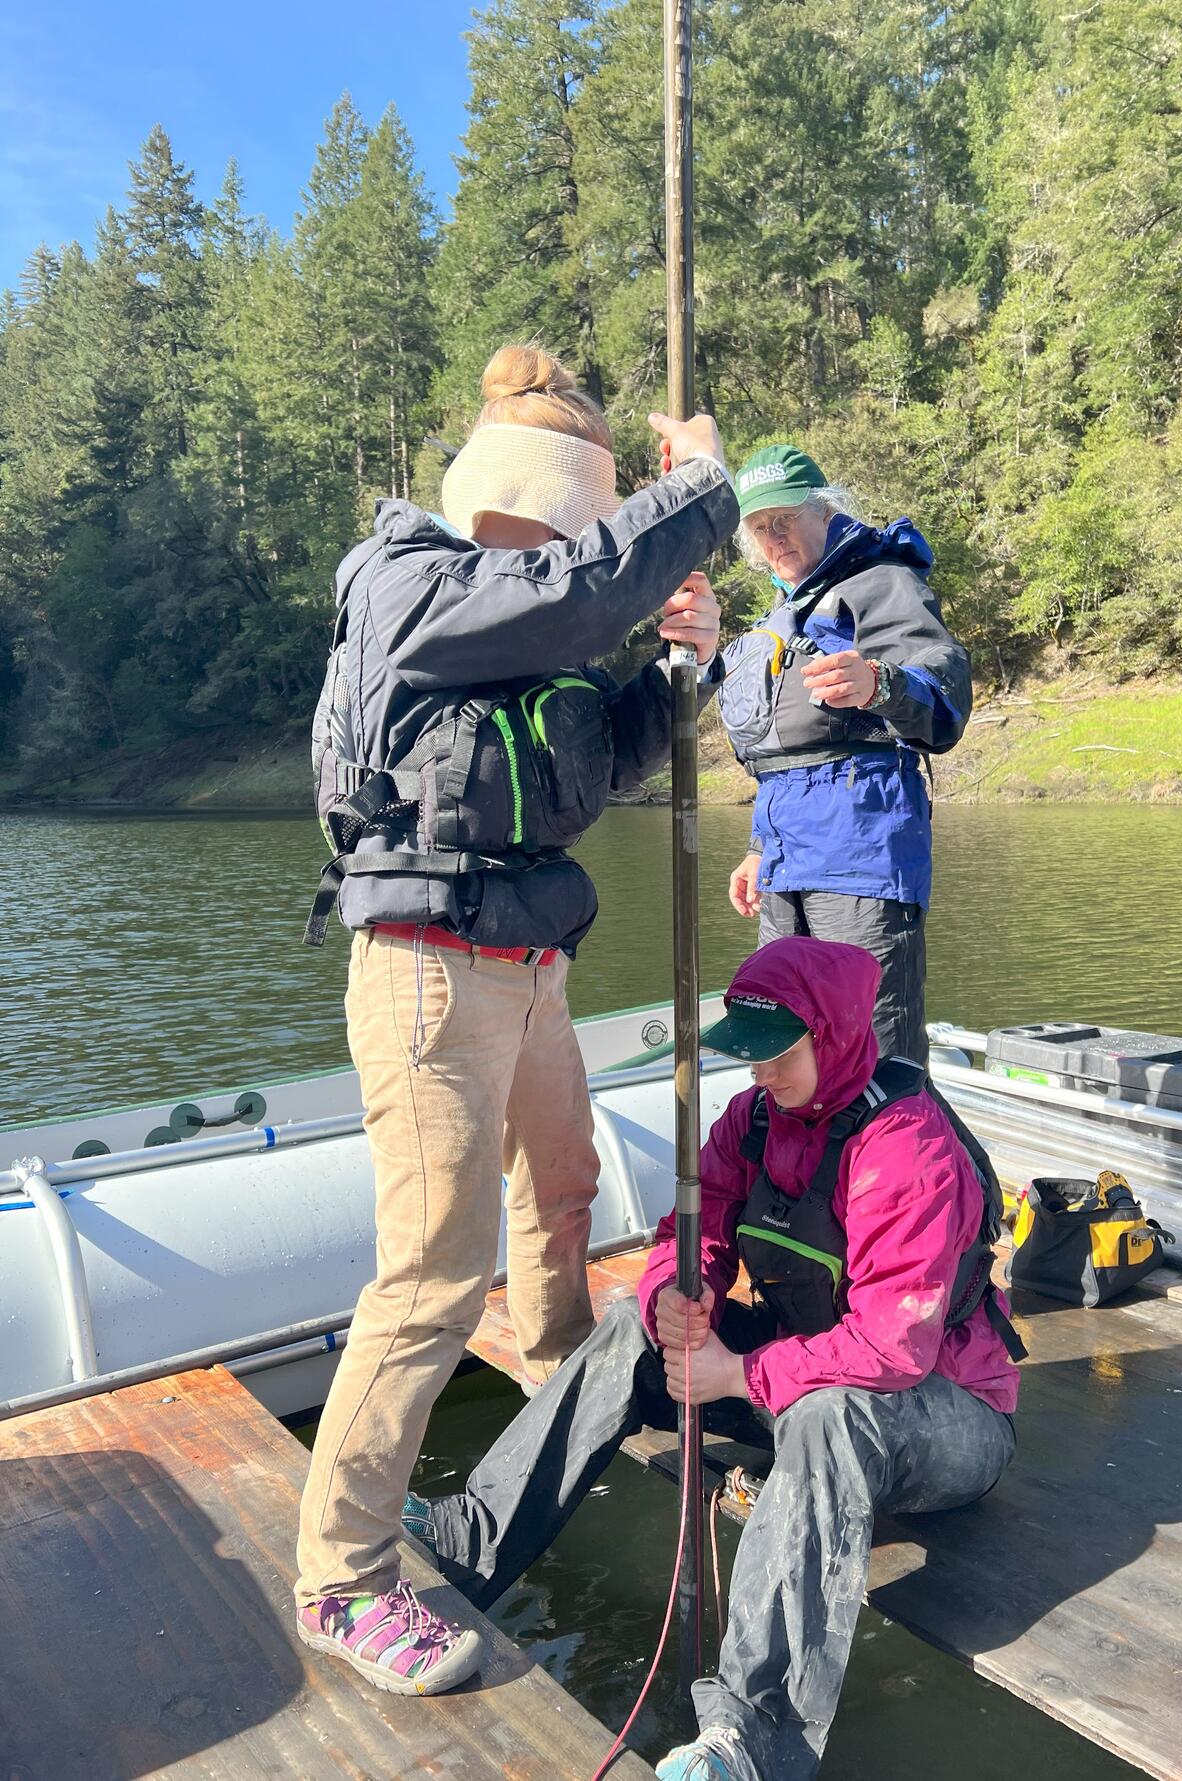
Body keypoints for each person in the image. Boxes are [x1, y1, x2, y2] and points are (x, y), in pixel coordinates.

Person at [294, 343, 740, 1694]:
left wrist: (686, 674)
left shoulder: (526, 623)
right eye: (582, 523)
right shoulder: (410, 581)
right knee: (432, 1268)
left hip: (528, 964)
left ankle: (559, 1399)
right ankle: (342, 1575)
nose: (579, 550)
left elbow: (601, 758)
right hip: (428, 963)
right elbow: (567, 594)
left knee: (564, 1184)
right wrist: (698, 495)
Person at [402, 935, 1023, 1775]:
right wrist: (676, 1292)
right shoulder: (753, 1119)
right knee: (629, 1329)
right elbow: (688, 1230)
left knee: (830, 1411)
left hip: (946, 1413)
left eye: (780, 1057)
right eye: (752, 1058)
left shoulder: (906, 1149)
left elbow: (893, 1346)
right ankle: (468, 1539)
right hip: (806, 1372)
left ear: (833, 1037)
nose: (760, 1075)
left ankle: (751, 1735)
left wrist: (739, 1373)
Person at [717, 445, 973, 1064]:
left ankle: (916, 1160)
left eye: (784, 519)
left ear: (825, 511)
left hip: (862, 856)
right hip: (784, 862)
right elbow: (786, 757)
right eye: (759, 528)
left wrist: (881, 685)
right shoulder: (779, 617)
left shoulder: (882, 583)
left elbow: (945, 699)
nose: (773, 537)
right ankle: (805, 1164)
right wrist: (758, 849)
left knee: (872, 1054)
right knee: (784, 1047)